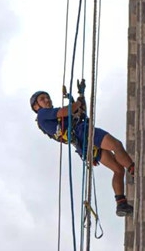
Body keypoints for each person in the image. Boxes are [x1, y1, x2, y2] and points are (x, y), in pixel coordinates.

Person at [30, 89, 135, 217]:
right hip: (82, 132)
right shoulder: (43, 114)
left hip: (82, 145)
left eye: (47, 97)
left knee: (118, 170)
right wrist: (77, 103)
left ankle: (121, 203)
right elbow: (66, 111)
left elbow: (79, 112)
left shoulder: (53, 120)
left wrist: (80, 97)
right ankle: (135, 171)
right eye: (42, 99)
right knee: (116, 145)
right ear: (36, 106)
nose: (47, 99)